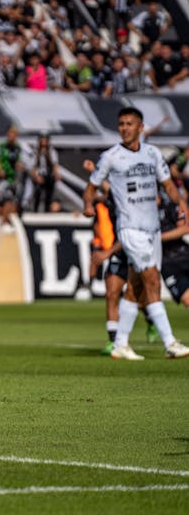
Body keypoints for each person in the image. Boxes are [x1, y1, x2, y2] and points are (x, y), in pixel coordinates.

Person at [82, 106, 189, 360]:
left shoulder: (152, 154)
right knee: (153, 281)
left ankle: (120, 344)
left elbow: (168, 186)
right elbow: (91, 186)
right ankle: (170, 343)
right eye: (121, 124)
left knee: (136, 287)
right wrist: (88, 205)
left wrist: (182, 204)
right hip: (130, 230)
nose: (125, 128)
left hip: (152, 231)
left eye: (130, 124)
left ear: (141, 128)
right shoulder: (111, 157)